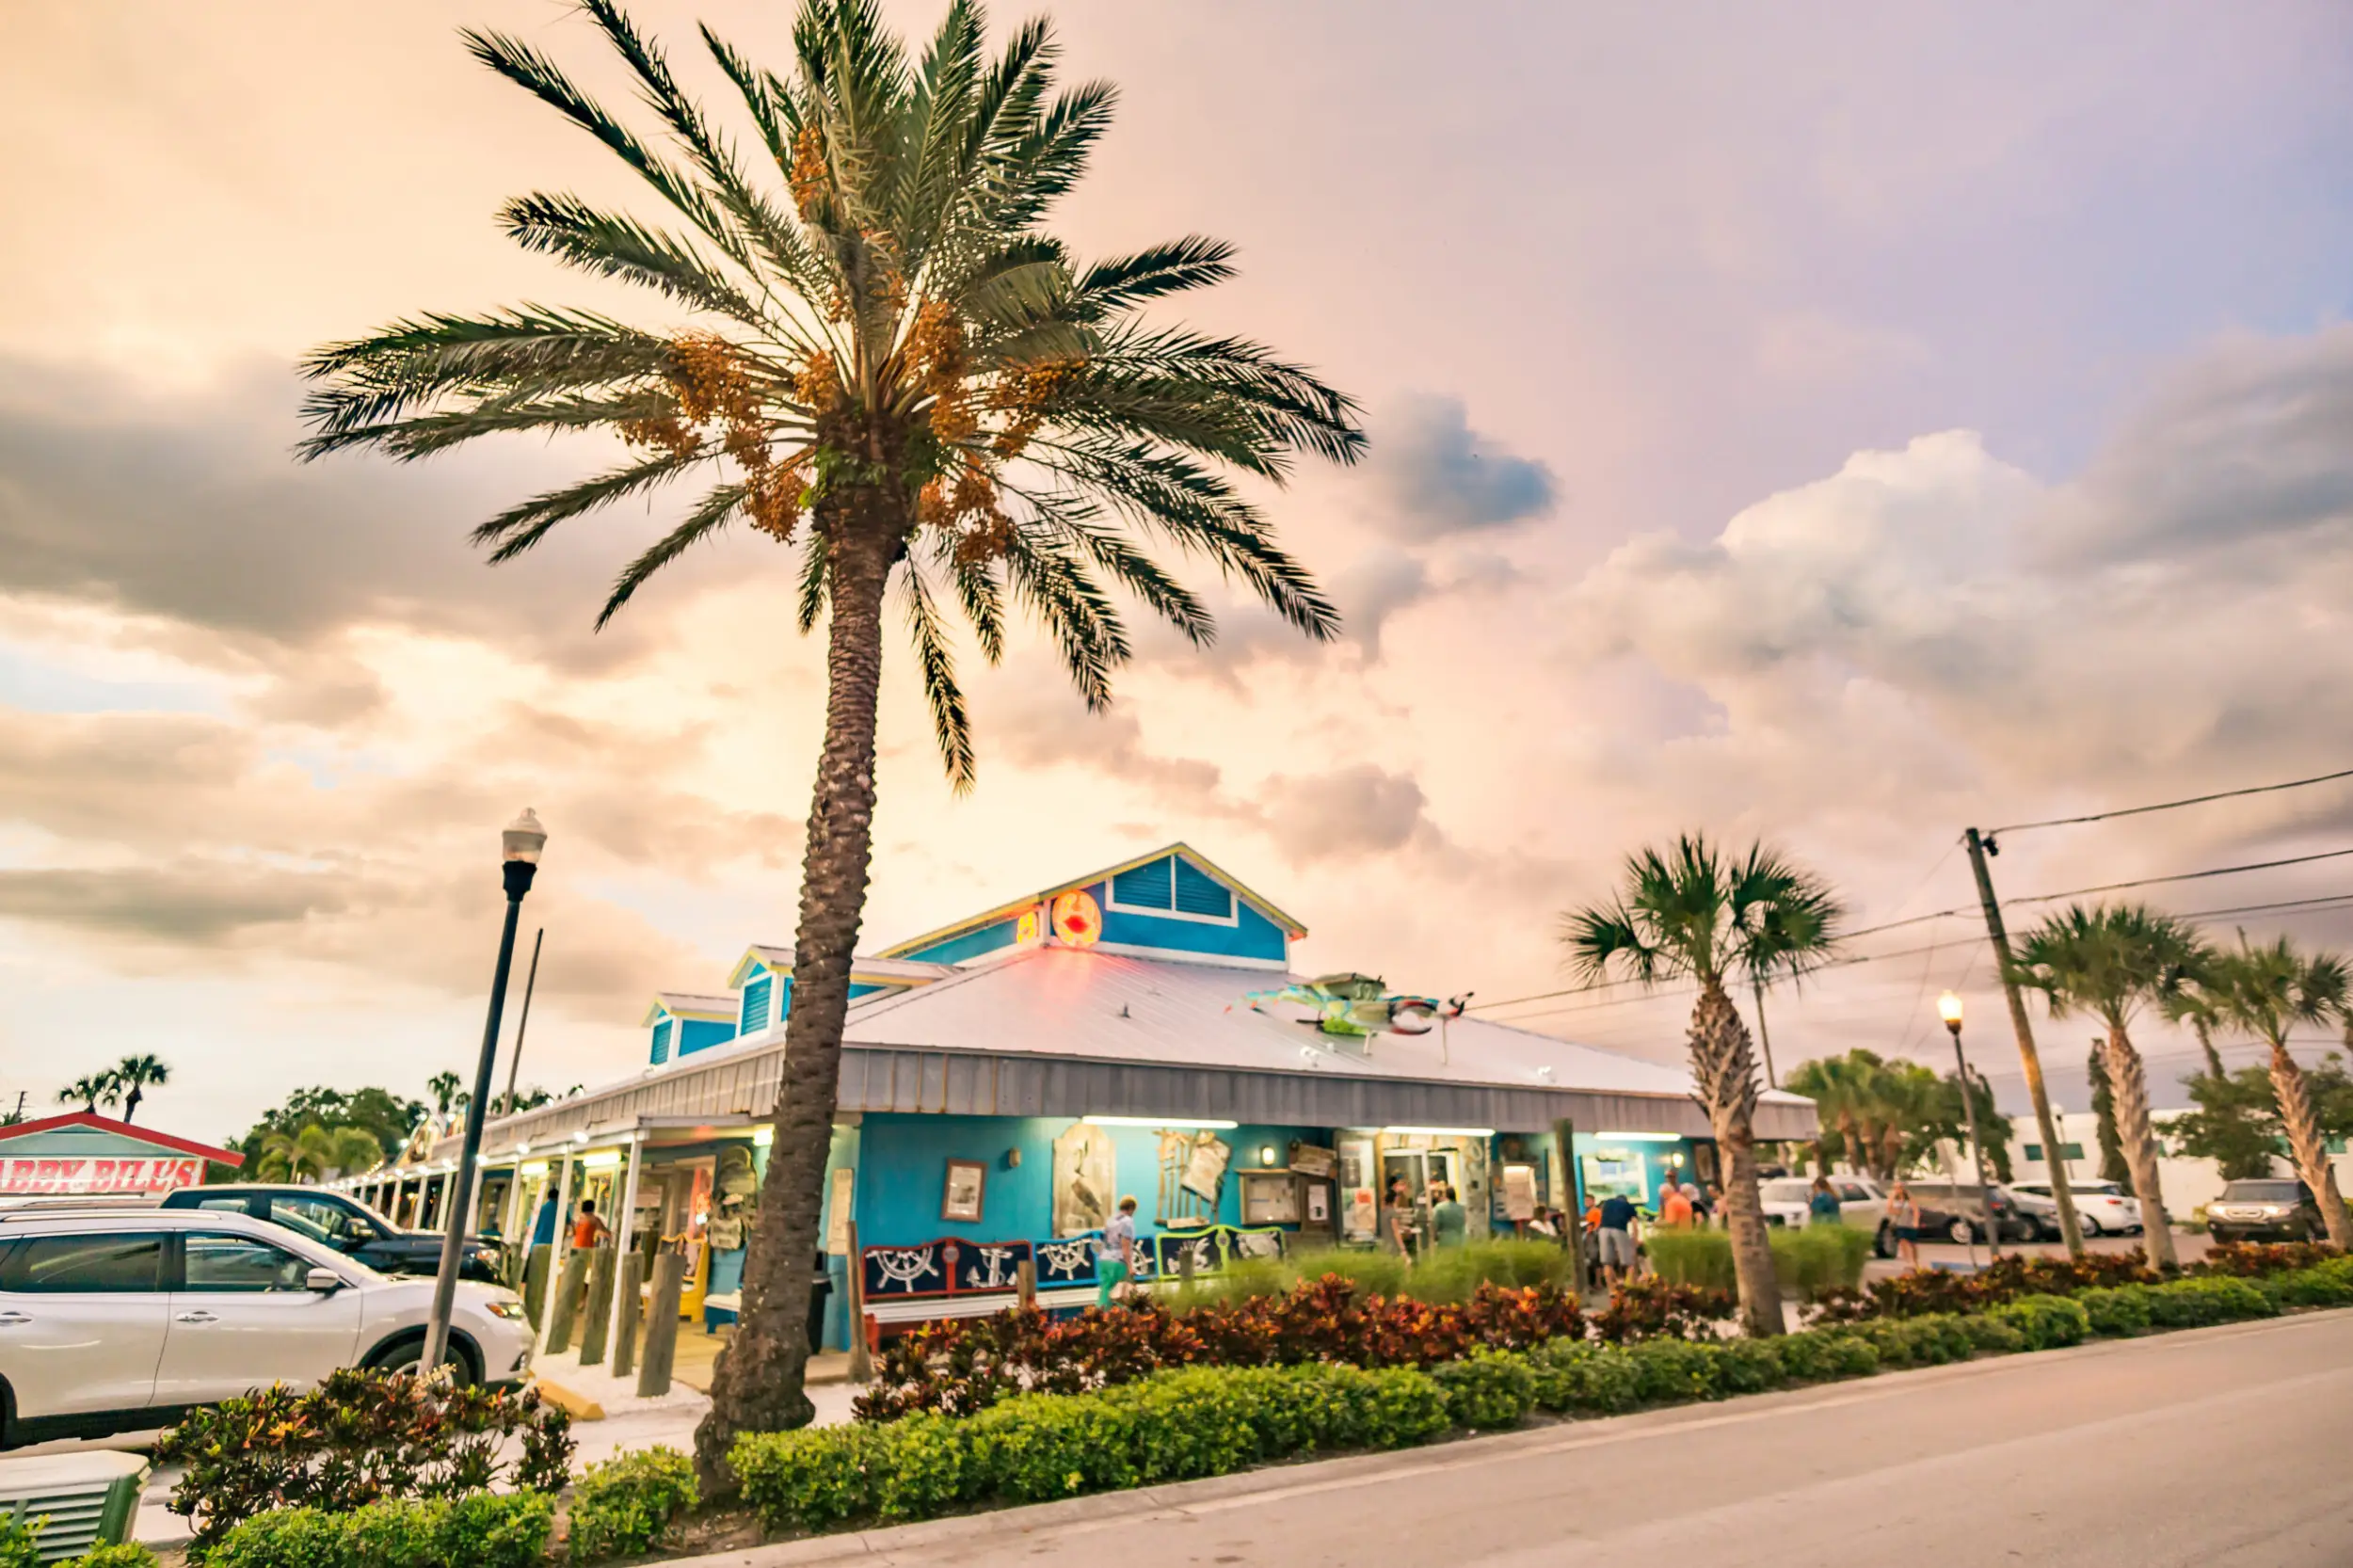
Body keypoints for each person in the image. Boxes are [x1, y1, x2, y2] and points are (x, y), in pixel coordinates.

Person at [1096, 1194, 1139, 1308]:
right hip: (1118, 1261)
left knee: (1105, 1292)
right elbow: (1125, 1246)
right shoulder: (1127, 1222)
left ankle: (1099, 1318)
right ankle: (1124, 1321)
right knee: (1122, 1294)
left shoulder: (1111, 1219)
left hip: (1104, 1260)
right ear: (1131, 1208)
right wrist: (1130, 1267)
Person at [1596, 1190, 1639, 1286]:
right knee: (1629, 1263)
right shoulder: (1628, 1206)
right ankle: (1629, 1288)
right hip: (1619, 1230)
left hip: (1603, 1230)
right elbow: (1635, 1223)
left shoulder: (1607, 1203)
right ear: (1626, 1200)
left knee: (1607, 1263)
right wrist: (1635, 1239)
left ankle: (1612, 1292)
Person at [1888, 1181, 1922, 1270]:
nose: (1897, 1190)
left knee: (1913, 1244)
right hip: (1900, 1223)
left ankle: (1915, 1261)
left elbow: (1916, 1210)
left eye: (1899, 1187)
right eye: (1895, 1188)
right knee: (1902, 1241)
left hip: (1909, 1223)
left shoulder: (1909, 1198)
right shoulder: (1893, 1198)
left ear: (1903, 1188)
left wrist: (1916, 1221)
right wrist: (1895, 1210)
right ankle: (1907, 1260)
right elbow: (1889, 1209)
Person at [1431, 1184, 1468, 1248]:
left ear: (1445, 1195)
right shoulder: (1462, 1208)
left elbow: (1434, 1225)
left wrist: (1433, 1238)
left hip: (1445, 1242)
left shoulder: (1439, 1208)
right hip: (1461, 1241)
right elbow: (1465, 1221)